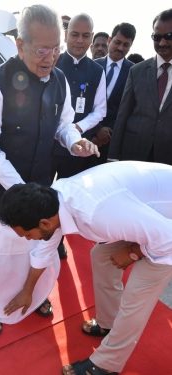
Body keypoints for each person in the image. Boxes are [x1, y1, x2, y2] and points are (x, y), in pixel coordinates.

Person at [0, 4, 99, 336]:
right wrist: (22, 190)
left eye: (56, 48)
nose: (50, 57)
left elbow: (64, 125)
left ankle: (37, 294)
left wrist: (74, 142)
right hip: (1, 197)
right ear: (20, 45)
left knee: (35, 250)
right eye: (42, 49)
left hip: (41, 191)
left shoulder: (59, 80)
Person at [0, 160, 172, 375]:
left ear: (44, 223)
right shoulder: (53, 202)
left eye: (27, 235)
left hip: (166, 231)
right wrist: (27, 291)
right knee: (101, 256)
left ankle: (106, 365)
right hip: (148, 213)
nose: (27, 239)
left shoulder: (96, 214)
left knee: (135, 298)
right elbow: (43, 251)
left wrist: (134, 252)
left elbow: (167, 237)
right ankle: (108, 323)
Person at [52, 13, 106, 259]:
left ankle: (60, 238)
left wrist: (76, 130)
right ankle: (45, 239)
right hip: (47, 143)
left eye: (85, 36)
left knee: (67, 195)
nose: (79, 40)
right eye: (74, 34)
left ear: (92, 38)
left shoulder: (96, 71)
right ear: (66, 35)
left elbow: (100, 111)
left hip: (78, 145)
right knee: (43, 192)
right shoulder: (52, 62)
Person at [108, 8, 172, 164]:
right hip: (133, 156)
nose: (162, 42)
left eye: (169, 36)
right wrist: (112, 156)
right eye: (157, 37)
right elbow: (122, 116)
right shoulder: (136, 71)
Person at [93, 23, 136, 164]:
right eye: (117, 42)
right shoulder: (93, 66)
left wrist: (107, 132)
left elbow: (130, 110)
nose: (120, 48)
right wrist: (97, 130)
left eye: (126, 45)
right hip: (87, 137)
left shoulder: (135, 72)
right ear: (109, 40)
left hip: (112, 143)